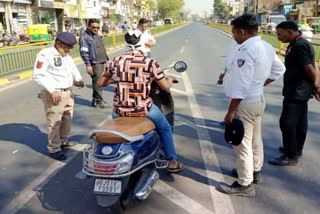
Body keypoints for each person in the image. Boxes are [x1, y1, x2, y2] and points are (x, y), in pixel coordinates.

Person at [217, 14, 285, 197]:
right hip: (258, 100)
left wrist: (230, 112)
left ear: (242, 32)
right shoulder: (266, 46)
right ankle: (254, 171)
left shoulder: (245, 50)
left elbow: (240, 86)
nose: (233, 36)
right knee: (255, 140)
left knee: (241, 145)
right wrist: (259, 84)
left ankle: (244, 185)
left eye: (234, 32)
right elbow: (279, 69)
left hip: (245, 104)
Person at [97, 30, 183, 172]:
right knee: (165, 128)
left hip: (119, 111)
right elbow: (165, 87)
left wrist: (116, 79)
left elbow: (100, 83)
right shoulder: (150, 63)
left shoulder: (114, 62)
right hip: (143, 109)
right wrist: (169, 79)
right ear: (142, 45)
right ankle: (172, 161)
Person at [269, 21, 320, 166]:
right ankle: (295, 149)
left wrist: (316, 86)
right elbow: (314, 64)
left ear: (290, 31)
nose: (278, 37)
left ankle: (290, 155)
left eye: (280, 34)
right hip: (298, 89)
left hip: (297, 91)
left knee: (287, 122)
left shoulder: (300, 45)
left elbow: (310, 68)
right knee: (299, 122)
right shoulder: (296, 43)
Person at [32, 32, 84, 161]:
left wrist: (79, 79)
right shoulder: (45, 54)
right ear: (58, 43)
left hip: (68, 91)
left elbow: (73, 69)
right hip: (54, 93)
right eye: (67, 47)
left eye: (71, 47)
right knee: (55, 122)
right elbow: (38, 75)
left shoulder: (66, 55)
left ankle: (63, 141)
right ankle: (54, 148)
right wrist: (52, 90)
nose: (69, 50)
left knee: (67, 118)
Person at [79, 18, 109, 108]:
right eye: (93, 27)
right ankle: (99, 101)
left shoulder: (96, 35)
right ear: (88, 26)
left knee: (98, 81)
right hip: (95, 63)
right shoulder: (84, 37)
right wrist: (88, 65)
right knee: (98, 81)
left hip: (101, 61)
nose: (96, 29)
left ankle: (95, 100)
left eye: (97, 27)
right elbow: (84, 52)